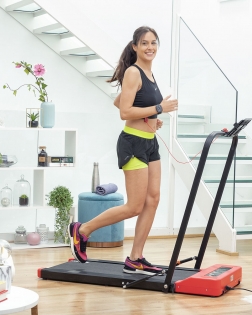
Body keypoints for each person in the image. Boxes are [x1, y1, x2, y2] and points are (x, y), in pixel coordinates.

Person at [68, 26, 178, 275]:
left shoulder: (149, 74)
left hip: (150, 142)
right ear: (135, 47)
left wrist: (152, 116)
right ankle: (82, 230)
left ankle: (136, 257)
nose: (150, 47)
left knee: (153, 200)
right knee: (135, 205)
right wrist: (159, 108)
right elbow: (124, 112)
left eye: (154, 43)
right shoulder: (133, 72)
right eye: (144, 43)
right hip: (133, 143)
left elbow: (123, 101)